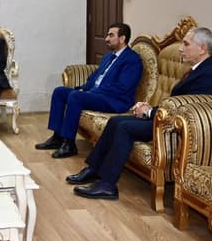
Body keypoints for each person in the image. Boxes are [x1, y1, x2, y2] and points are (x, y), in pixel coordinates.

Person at [68, 27, 212, 200]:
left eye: (186, 44)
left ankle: (107, 185)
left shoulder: (210, 76)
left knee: (124, 128)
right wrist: (150, 107)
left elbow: (187, 110)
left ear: (202, 48)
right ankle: (94, 169)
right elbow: (179, 103)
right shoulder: (201, 69)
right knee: (115, 122)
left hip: (178, 129)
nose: (181, 48)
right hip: (169, 118)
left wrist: (150, 112)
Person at [35, 23, 143, 158]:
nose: (106, 39)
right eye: (107, 35)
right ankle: (57, 137)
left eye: (111, 35)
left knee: (76, 97)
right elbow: (95, 77)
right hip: (97, 94)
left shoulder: (132, 60)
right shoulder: (108, 56)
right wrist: (83, 88)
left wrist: (91, 93)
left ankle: (69, 144)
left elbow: (122, 87)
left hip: (114, 100)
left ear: (122, 38)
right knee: (60, 92)